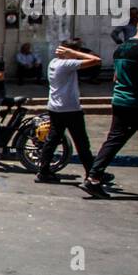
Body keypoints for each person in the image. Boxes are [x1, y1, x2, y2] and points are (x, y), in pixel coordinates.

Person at [81, 15, 138, 200]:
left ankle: (93, 177)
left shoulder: (121, 48)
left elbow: (116, 77)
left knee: (113, 141)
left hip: (120, 101)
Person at [35, 44, 100, 184]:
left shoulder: (53, 62)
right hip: (70, 109)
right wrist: (74, 52)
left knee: (52, 139)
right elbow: (96, 60)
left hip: (55, 107)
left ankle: (43, 171)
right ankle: (92, 173)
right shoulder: (67, 64)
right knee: (82, 142)